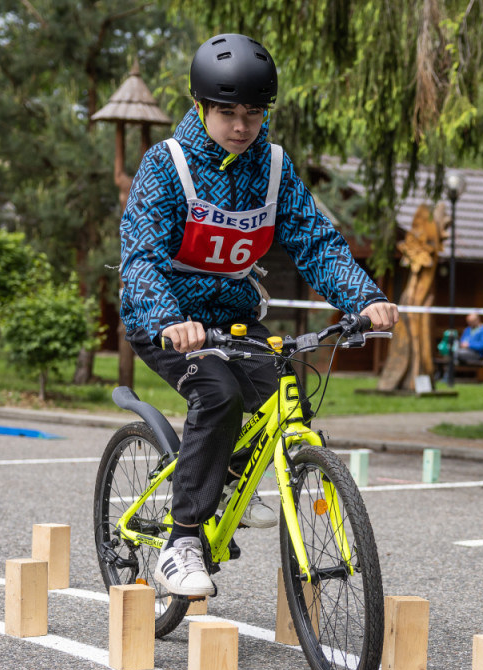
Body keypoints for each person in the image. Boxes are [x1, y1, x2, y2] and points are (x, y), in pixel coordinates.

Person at [119, 34, 398, 598]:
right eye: (227, 112)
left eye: (253, 113)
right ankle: (182, 541)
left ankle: (222, 480)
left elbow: (315, 241)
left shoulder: (272, 168)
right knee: (218, 393)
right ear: (201, 105)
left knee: (284, 384)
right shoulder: (165, 166)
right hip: (169, 320)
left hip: (236, 318)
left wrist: (362, 298)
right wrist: (170, 317)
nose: (241, 126)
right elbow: (141, 254)